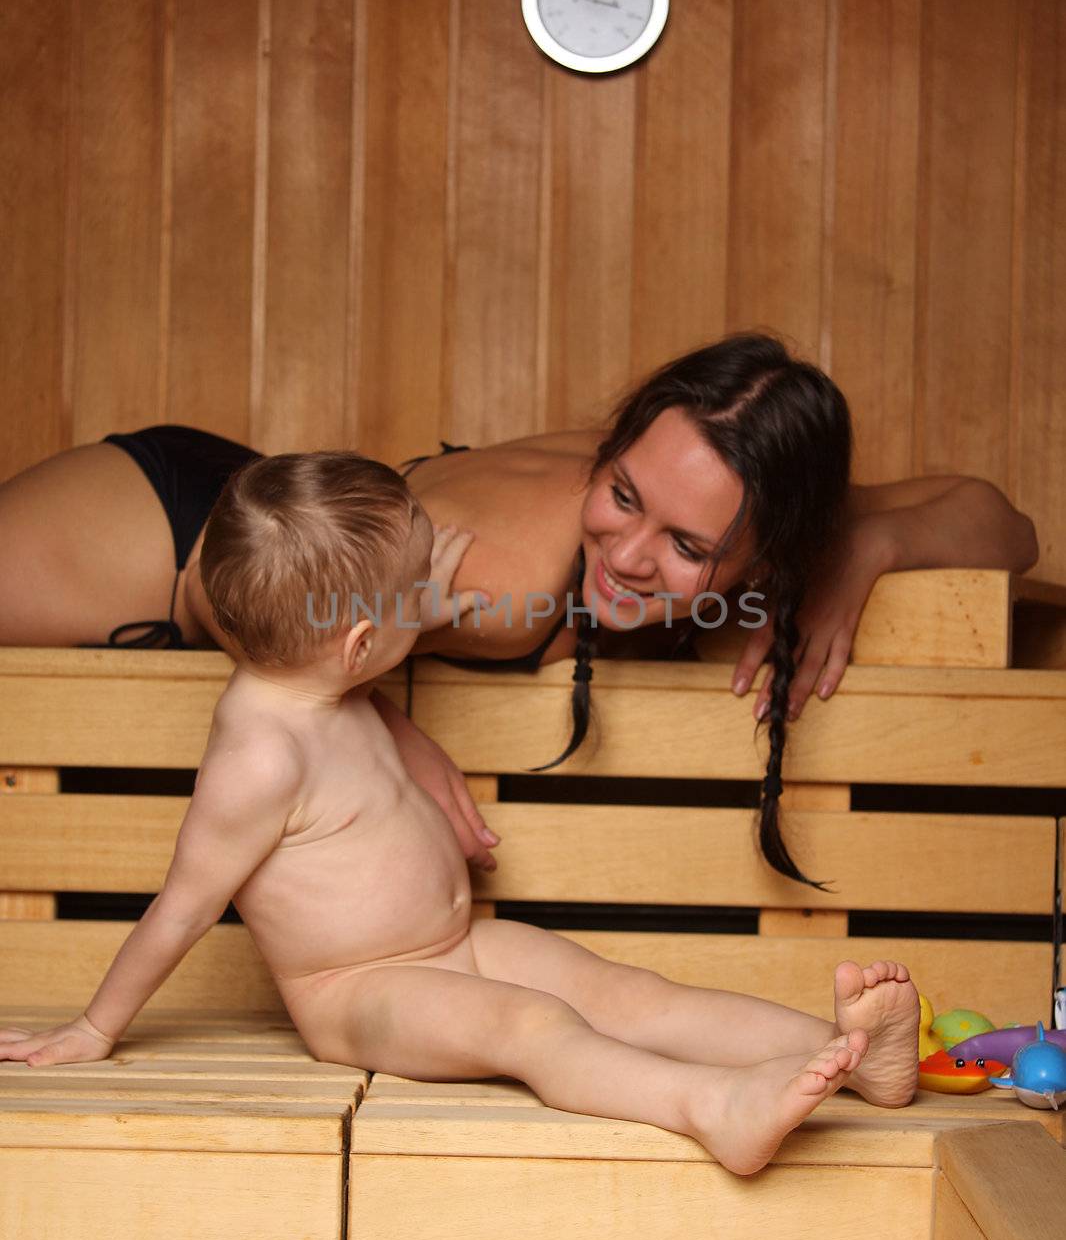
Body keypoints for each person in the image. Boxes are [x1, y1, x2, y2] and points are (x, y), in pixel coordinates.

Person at [0, 450, 921, 1177]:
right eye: (415, 603)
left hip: (453, 946)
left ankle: (843, 1051)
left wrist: (410, 595)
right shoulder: (259, 755)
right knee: (532, 1028)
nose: (430, 612)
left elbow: (372, 625)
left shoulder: (327, 679)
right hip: (359, 994)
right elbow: (182, 908)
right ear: (363, 641)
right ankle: (711, 1111)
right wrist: (96, 1027)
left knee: (624, 993)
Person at [0, 333, 1038, 885]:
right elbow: (237, 593)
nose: (627, 556)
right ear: (617, 445)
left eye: (685, 546)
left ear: (773, 540)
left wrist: (867, 546)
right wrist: (368, 715)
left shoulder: (744, 481)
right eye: (621, 495)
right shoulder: (504, 587)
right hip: (174, 538)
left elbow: (1000, 522)